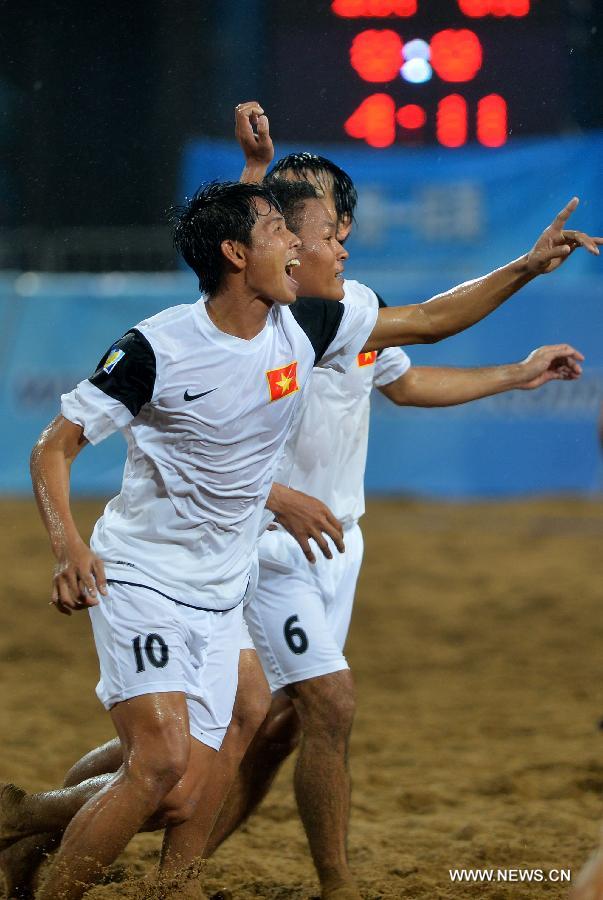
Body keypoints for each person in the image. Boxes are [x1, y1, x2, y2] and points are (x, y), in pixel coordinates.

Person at [1, 167, 597, 900]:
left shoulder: (313, 321)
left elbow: (429, 323)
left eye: (298, 228)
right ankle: (324, 881)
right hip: (148, 574)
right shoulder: (156, 349)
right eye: (283, 231)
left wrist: (528, 268)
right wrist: (70, 548)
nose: (313, 246)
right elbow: (54, 446)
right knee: (173, 760)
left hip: (228, 589)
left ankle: (83, 843)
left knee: (195, 782)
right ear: (238, 253)